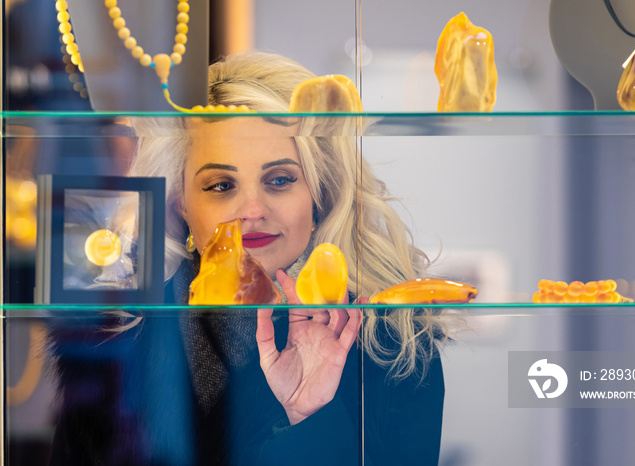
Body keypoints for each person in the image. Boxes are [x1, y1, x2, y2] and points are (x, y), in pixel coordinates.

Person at [49, 52, 447, 465]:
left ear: (319, 196)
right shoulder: (114, 336)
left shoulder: (395, 347)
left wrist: (302, 418)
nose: (253, 209)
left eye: (279, 180)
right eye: (221, 185)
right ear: (182, 204)